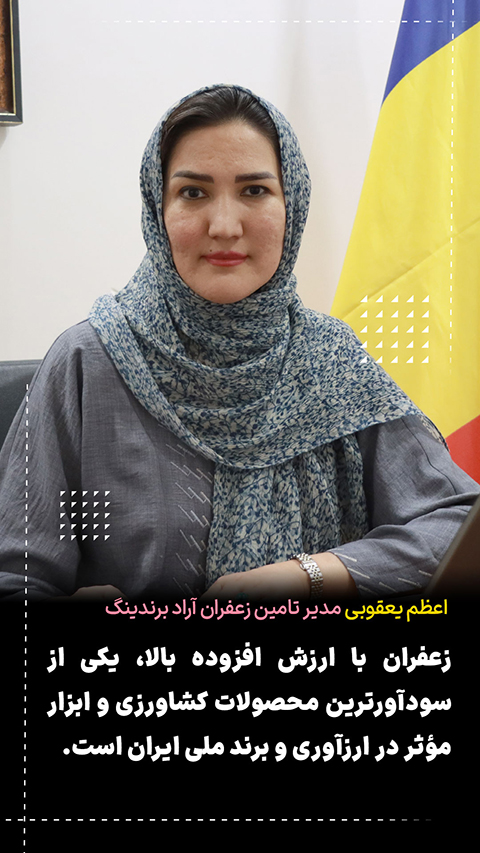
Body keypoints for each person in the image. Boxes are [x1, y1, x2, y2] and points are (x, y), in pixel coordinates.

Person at [0, 84, 478, 602]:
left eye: (254, 191)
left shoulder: (331, 362)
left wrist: (311, 575)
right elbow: (18, 575)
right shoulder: (87, 364)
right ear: (157, 208)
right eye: (193, 193)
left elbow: (456, 522)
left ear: (291, 204)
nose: (225, 226)